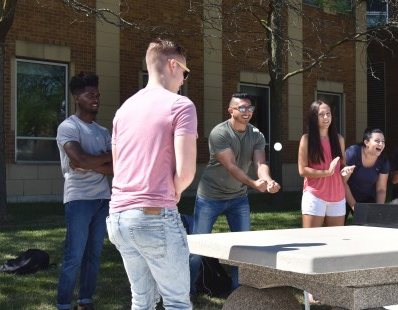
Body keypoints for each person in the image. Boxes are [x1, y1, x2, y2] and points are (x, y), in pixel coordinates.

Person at [107, 38, 196, 310]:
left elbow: (117, 165)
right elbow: (186, 172)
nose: (183, 77)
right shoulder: (181, 105)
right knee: (177, 302)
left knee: (141, 300)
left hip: (118, 217)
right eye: (184, 70)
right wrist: (176, 190)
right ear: (172, 65)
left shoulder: (122, 111)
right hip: (154, 214)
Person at [189, 92, 280, 292]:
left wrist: (268, 180)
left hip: (238, 198)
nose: (247, 112)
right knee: (196, 248)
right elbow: (231, 166)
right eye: (242, 108)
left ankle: (238, 292)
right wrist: (253, 184)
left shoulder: (256, 134)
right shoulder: (219, 133)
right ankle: (186, 291)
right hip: (210, 197)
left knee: (243, 248)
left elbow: (260, 163)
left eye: (250, 108)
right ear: (231, 111)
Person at [55, 72, 112, 310]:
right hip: (79, 199)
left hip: (102, 199)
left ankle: (85, 300)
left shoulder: (103, 131)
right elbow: (77, 158)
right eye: (90, 95)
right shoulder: (68, 126)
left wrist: (90, 163)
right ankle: (64, 303)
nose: (95, 99)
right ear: (77, 98)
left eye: (97, 95)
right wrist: (103, 161)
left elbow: (117, 167)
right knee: (74, 256)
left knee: (94, 255)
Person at [298, 100, 353, 229]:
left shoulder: (339, 139)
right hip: (315, 196)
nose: (326, 117)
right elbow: (302, 170)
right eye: (321, 114)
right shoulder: (306, 139)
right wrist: (327, 173)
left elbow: (342, 164)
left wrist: (345, 170)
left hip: (338, 196)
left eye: (328, 114)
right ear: (313, 117)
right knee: (312, 240)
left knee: (335, 241)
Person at [344, 128, 390, 212]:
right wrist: (355, 207)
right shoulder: (353, 152)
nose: (381, 144)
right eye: (377, 141)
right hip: (345, 197)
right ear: (366, 142)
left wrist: (379, 210)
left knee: (371, 223)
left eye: (383, 141)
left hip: (367, 198)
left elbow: (381, 189)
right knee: (340, 225)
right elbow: (342, 182)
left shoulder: (383, 161)